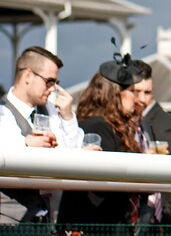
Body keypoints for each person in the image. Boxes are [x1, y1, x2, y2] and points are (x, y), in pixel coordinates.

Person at [57, 54, 144, 228]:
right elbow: (110, 179)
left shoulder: (110, 126)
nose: (138, 98)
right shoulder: (98, 126)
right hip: (92, 225)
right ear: (115, 93)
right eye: (133, 91)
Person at [0, 46, 82, 224]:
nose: (53, 89)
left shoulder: (50, 111)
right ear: (28, 75)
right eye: (49, 81)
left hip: (46, 220)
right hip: (9, 222)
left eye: (55, 82)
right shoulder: (2, 112)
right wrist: (27, 146)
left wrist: (68, 116)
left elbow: (73, 156)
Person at [131, 59, 171, 225]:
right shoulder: (125, 122)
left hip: (160, 217)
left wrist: (166, 212)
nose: (142, 99)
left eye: (148, 92)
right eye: (136, 92)